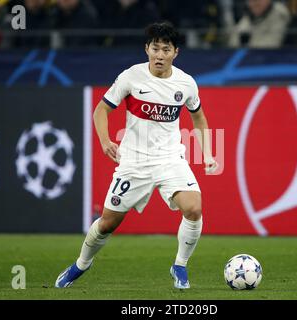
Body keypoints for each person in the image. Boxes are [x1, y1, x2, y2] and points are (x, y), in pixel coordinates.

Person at [55, 21, 218, 289]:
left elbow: (198, 117)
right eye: (155, 48)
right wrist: (106, 140)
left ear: (175, 53)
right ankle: (81, 264)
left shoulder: (186, 83)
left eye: (166, 50)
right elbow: (101, 111)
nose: (160, 55)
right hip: (134, 163)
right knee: (107, 223)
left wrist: (208, 153)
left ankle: (180, 266)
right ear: (147, 49)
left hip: (170, 159)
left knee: (194, 208)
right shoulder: (131, 76)